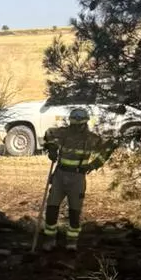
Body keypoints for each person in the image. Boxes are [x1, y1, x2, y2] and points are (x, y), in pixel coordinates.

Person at [40, 107, 117, 252]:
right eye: (73, 123)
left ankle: (71, 243)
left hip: (77, 178)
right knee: (51, 208)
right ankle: (50, 240)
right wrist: (51, 148)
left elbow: (109, 147)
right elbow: (49, 133)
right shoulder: (63, 133)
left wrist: (94, 164)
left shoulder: (92, 139)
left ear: (84, 123)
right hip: (60, 175)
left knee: (74, 212)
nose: (74, 127)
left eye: (77, 124)